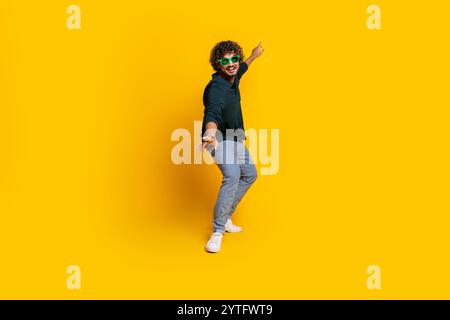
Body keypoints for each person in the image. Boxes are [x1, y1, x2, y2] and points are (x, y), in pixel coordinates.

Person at [201, 40, 265, 253]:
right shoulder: (216, 89)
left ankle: (226, 216)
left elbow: (243, 68)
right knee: (232, 175)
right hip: (216, 138)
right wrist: (210, 132)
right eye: (225, 61)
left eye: (234, 59)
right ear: (217, 65)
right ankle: (217, 232)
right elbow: (212, 111)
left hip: (234, 137)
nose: (231, 64)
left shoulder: (234, 75)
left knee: (250, 174)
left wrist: (254, 55)